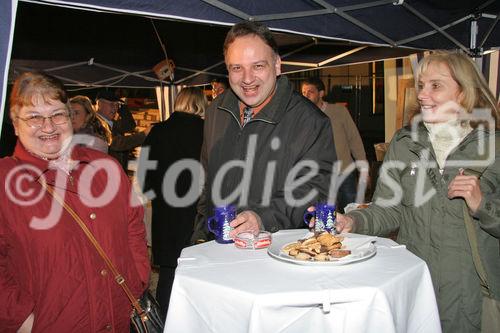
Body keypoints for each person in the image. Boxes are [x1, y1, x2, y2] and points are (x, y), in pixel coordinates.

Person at [333, 51, 500, 332]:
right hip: (414, 281)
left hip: (470, 292)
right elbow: (388, 209)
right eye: (421, 85)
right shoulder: (405, 143)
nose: (422, 95)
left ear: (463, 92)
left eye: (436, 85)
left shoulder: (492, 147)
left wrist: (481, 203)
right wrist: (353, 222)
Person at [0, 72, 150, 332]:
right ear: (15, 123)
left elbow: (133, 228)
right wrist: (22, 319)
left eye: (58, 114)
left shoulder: (106, 167)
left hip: (116, 320)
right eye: (34, 117)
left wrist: (137, 280)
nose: (48, 127)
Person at [191, 21, 335, 243]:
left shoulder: (311, 121)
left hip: (273, 253)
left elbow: (314, 189)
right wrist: (200, 235)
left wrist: (261, 217)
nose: (247, 79)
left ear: (277, 65)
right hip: (217, 249)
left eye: (258, 66)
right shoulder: (215, 112)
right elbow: (206, 183)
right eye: (237, 68)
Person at [139, 87, 205, 318]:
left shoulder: (158, 132)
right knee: (197, 272)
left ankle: (163, 321)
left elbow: (144, 177)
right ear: (200, 104)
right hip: (195, 211)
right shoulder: (206, 131)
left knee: (167, 272)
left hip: (165, 211)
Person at [302, 77, 368, 211]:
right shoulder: (302, 116)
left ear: (321, 93)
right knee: (323, 213)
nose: (306, 96)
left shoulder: (339, 111)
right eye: (303, 92)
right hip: (319, 175)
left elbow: (354, 139)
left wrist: (363, 168)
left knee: (350, 211)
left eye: (310, 92)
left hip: (344, 172)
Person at [96, 90, 150, 171]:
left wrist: (123, 107)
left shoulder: (112, 123)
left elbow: (130, 126)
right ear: (99, 104)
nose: (115, 108)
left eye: (117, 105)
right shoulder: (96, 124)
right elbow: (117, 143)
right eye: (111, 104)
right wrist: (144, 134)